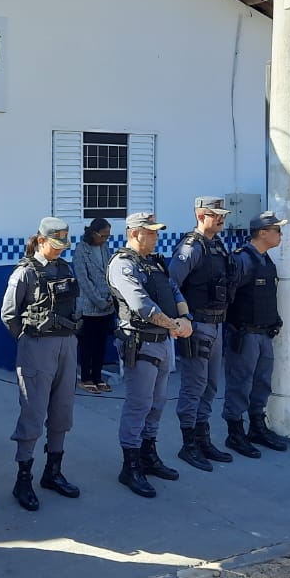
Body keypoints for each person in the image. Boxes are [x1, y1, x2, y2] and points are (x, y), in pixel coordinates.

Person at [0, 217, 82, 510]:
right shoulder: (25, 272)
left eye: (63, 244)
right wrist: (28, 339)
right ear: (42, 240)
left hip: (67, 345)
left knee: (62, 410)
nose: (59, 249)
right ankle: (23, 479)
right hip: (37, 347)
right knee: (33, 412)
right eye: (55, 244)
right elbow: (9, 314)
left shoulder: (65, 267)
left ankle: (53, 472)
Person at [107, 212, 191, 498]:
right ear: (134, 233)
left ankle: (148, 455)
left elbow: (173, 290)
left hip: (163, 341)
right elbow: (141, 305)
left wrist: (186, 318)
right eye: (151, 232)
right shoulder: (122, 264)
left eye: (156, 232)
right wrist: (175, 326)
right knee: (139, 404)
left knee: (157, 402)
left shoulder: (155, 261)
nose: (156, 237)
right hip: (140, 342)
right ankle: (130, 465)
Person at [168, 197, 235, 472]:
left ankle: (203, 438)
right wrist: (182, 319)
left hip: (216, 324)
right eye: (214, 214)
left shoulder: (216, 245)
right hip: (197, 326)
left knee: (210, 385)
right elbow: (172, 284)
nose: (220, 219)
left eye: (222, 215)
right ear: (200, 215)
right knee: (194, 386)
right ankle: (189, 444)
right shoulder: (191, 247)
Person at [222, 210, 290, 458]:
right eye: (277, 230)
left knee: (261, 384)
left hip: (263, 334)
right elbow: (226, 296)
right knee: (240, 384)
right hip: (245, 334)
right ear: (263, 233)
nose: (280, 234)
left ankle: (256, 427)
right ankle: (235, 432)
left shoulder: (265, 259)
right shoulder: (242, 260)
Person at [73, 218, 115, 393]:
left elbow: (110, 271)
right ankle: (86, 377)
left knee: (101, 344)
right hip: (90, 306)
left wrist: (111, 297)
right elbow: (84, 281)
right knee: (87, 344)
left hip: (108, 304)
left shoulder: (104, 248)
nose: (105, 239)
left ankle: (98, 377)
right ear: (93, 233)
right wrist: (99, 301)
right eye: (103, 236)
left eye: (107, 236)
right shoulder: (81, 250)